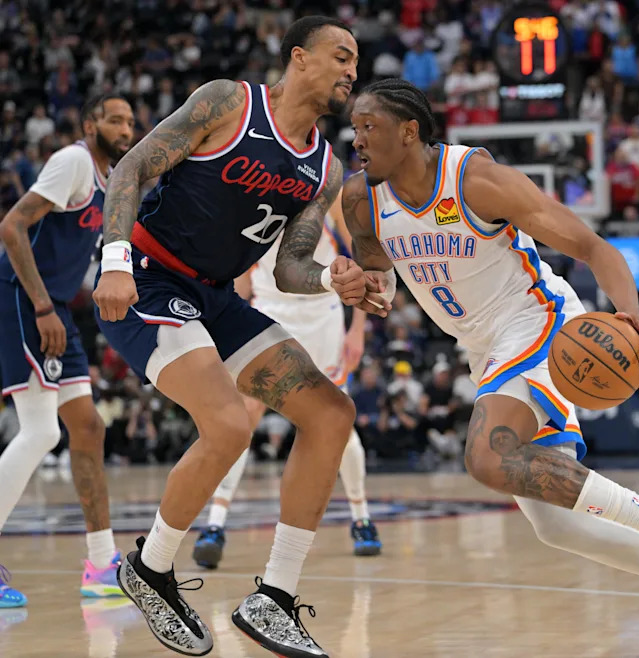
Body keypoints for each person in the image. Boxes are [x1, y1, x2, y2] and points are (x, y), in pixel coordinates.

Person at [340, 78, 639, 657]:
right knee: (559, 525)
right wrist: (361, 287)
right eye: (354, 129)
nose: (357, 141)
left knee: (486, 454)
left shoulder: (476, 181)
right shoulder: (360, 198)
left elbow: (594, 247)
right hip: (482, 347)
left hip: (536, 323)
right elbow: (378, 277)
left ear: (409, 131)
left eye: (367, 127)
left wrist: (631, 318)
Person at [91, 17, 385, 657]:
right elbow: (131, 170)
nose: (352, 73)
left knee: (332, 414)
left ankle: (273, 599)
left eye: (356, 63)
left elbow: (288, 268)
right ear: (300, 58)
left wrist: (337, 280)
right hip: (147, 275)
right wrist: (113, 258)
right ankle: (151, 567)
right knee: (228, 425)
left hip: (217, 297)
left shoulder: (325, 166)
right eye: (342, 57)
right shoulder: (228, 102)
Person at [192, 197, 382, 567]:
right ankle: (215, 523)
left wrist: (358, 327)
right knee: (243, 415)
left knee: (335, 416)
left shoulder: (331, 188)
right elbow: (243, 278)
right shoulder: (252, 191)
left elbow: (361, 257)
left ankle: (361, 517)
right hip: (269, 311)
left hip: (321, 313)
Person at [0, 94, 134, 607]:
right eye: (115, 119)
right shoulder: (74, 161)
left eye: (129, 120)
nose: (125, 128)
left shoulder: (113, 180)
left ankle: (101, 565)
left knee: (89, 426)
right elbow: (12, 226)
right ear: (90, 124)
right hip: (24, 299)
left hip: (55, 307)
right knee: (40, 430)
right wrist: (39, 306)